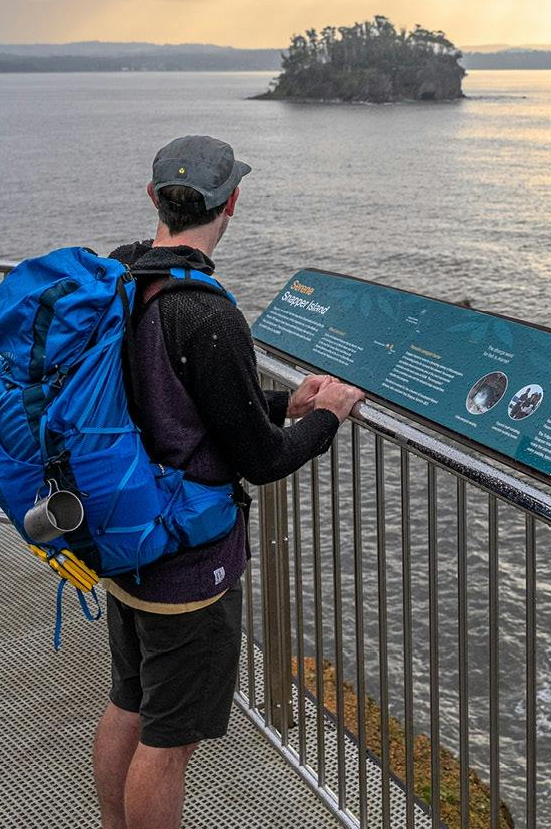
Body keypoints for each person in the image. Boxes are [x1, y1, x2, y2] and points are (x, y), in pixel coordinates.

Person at [92, 135, 364, 829]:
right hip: (185, 570)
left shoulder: (120, 277)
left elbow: (175, 403)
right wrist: (328, 416)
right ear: (232, 202)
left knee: (128, 704)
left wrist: (283, 404)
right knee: (170, 740)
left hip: (123, 537)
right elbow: (264, 460)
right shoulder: (207, 314)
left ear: (155, 199)